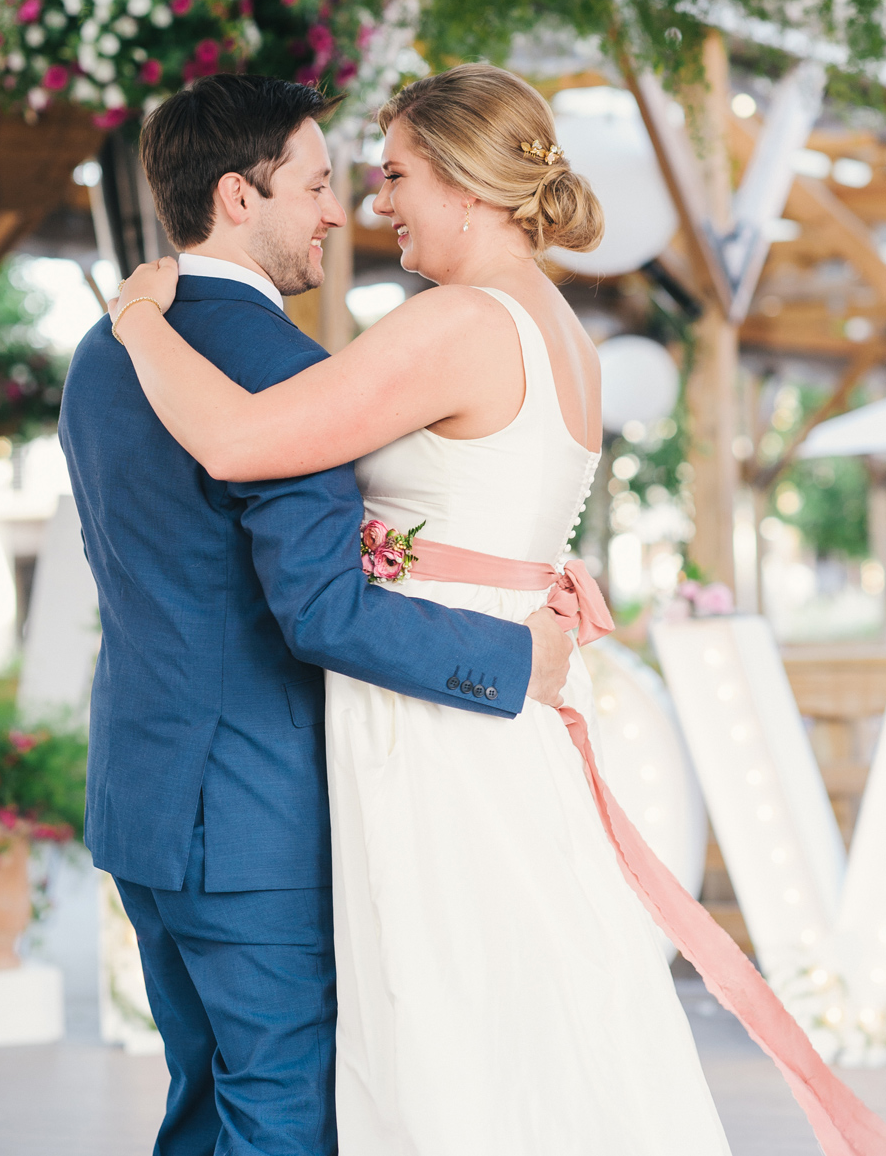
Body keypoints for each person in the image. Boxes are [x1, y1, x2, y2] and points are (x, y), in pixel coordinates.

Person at [109, 63, 735, 1155]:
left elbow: (239, 442)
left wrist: (137, 323)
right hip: (488, 700)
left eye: (395, 175)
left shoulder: (459, 322)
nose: (377, 201)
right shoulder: (559, 330)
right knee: (519, 1016)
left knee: (448, 1025)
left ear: (463, 181)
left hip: (432, 717)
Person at [58, 72, 574, 1156]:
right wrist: (513, 658)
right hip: (252, 819)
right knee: (280, 1106)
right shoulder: (288, 375)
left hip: (142, 798)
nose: (339, 214)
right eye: (318, 185)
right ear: (240, 199)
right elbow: (323, 612)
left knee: (202, 1096)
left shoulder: (104, 353)